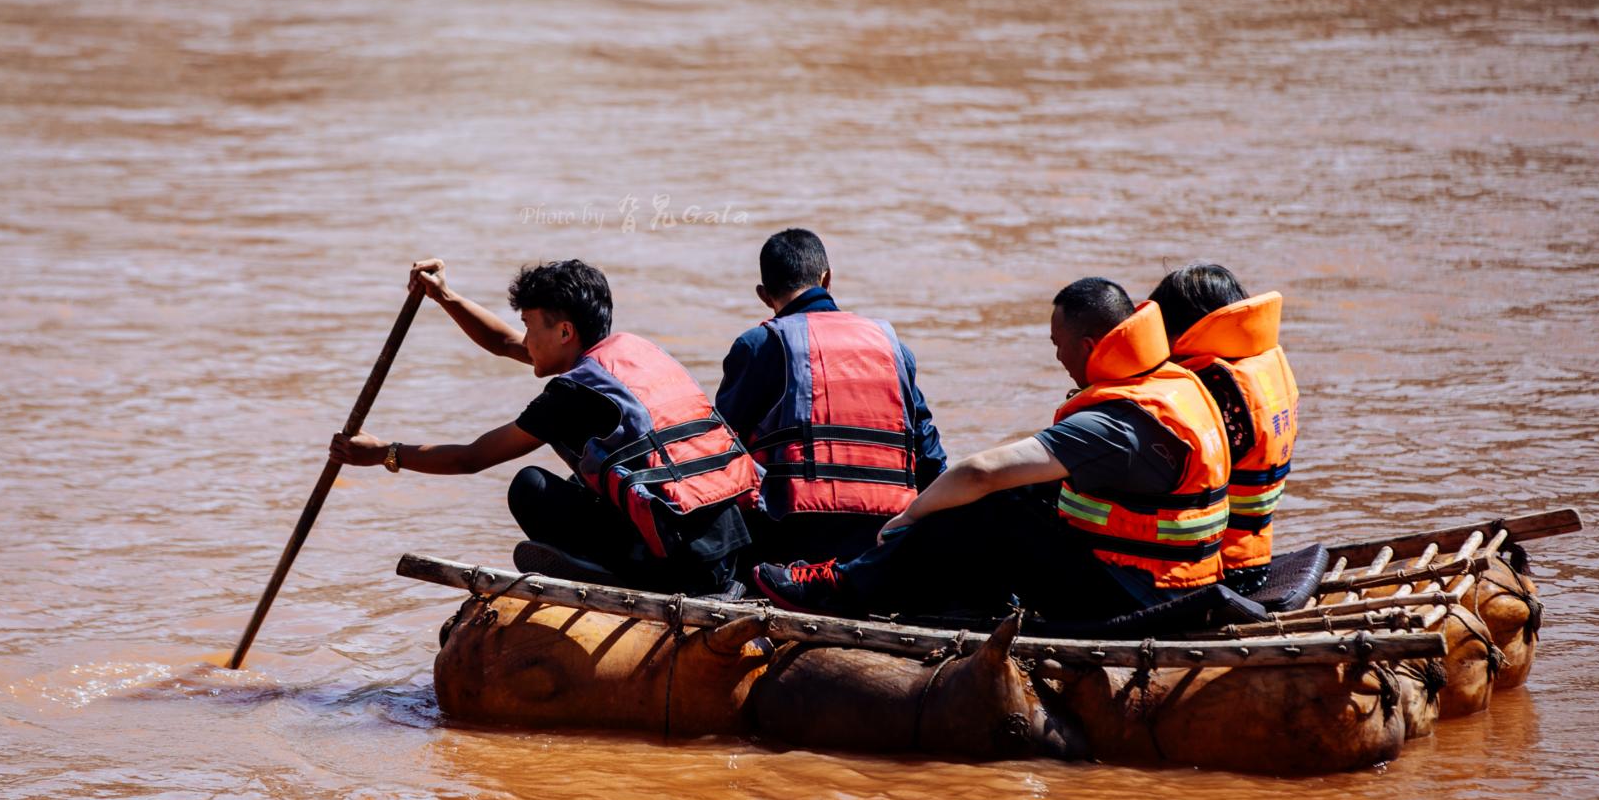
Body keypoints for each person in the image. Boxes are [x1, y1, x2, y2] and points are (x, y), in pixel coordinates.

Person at [752, 278, 1230, 623]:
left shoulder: (1114, 423)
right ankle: (964, 598)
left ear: (1087, 345)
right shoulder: (1172, 387)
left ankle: (844, 588)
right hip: (1177, 580)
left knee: (992, 503)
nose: (1058, 358)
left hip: (1138, 599)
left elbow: (981, 473)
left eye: (1058, 345)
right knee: (1023, 496)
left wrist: (910, 516)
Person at [328, 258, 756, 594]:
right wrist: (445, 297)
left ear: (565, 331)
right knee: (584, 474)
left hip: (677, 557)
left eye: (530, 325)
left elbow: (471, 458)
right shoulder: (632, 353)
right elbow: (505, 344)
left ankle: (621, 576)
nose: (525, 338)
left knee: (529, 486)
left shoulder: (571, 396)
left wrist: (384, 453)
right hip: (728, 541)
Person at [715, 228, 948, 563]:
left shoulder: (759, 347)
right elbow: (932, 461)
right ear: (827, 279)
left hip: (791, 542)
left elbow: (719, 452)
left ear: (764, 295)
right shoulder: (893, 348)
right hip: (886, 544)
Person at [1150, 264, 1299, 591]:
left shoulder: (1212, 389)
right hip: (1252, 558)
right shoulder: (1256, 369)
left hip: (1211, 572)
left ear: (1180, 333)